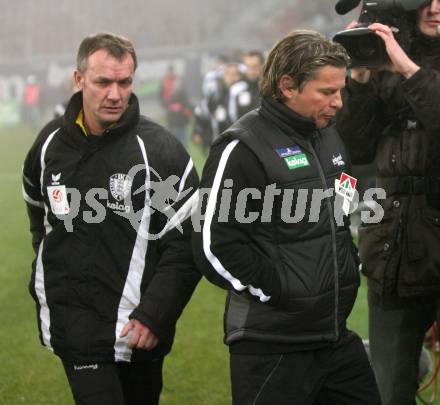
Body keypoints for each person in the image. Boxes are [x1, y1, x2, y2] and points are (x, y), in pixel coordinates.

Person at [192, 30, 382, 405]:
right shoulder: (241, 147)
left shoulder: (329, 136)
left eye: (340, 91)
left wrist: (347, 260)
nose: (338, 103)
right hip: (272, 345)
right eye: (326, 92)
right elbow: (212, 245)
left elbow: (341, 210)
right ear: (288, 86)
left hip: (333, 335)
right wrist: (279, 289)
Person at [22, 32, 200, 405]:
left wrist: (154, 315)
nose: (115, 94)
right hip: (77, 325)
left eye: (125, 82)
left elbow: (186, 243)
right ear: (79, 79)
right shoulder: (49, 145)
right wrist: (51, 276)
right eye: (103, 82)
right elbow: (38, 216)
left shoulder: (162, 151)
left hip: (140, 329)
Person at [336, 1, 440, 404]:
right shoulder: (385, 60)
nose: (434, 9)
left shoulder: (402, 64)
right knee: (389, 385)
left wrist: (408, 69)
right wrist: (359, 78)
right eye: (423, 0)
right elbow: (355, 148)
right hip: (394, 245)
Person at [158, 65, 192, 147]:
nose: (171, 73)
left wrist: (183, 107)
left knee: (182, 133)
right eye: (169, 71)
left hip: (180, 114)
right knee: (171, 133)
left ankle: (184, 152)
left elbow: (185, 97)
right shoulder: (164, 83)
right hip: (170, 114)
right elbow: (160, 97)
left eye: (172, 71)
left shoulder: (179, 82)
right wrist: (167, 106)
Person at [228, 50, 264, 122]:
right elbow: (232, 116)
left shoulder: (268, 87)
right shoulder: (238, 88)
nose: (251, 70)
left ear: (262, 66)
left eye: (254, 66)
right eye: (248, 66)